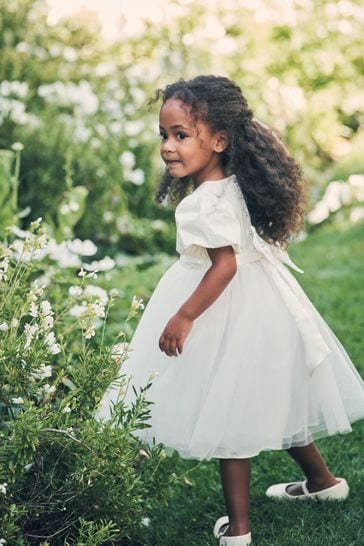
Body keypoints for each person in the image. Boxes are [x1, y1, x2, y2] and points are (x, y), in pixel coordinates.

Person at [95, 75, 364, 545]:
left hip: (223, 304)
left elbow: (223, 266)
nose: (168, 147)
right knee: (274, 397)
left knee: (229, 411)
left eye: (181, 135)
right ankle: (324, 484)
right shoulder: (233, 185)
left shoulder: (202, 204)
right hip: (263, 303)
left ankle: (238, 531)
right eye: (165, 135)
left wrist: (184, 316)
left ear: (219, 140)